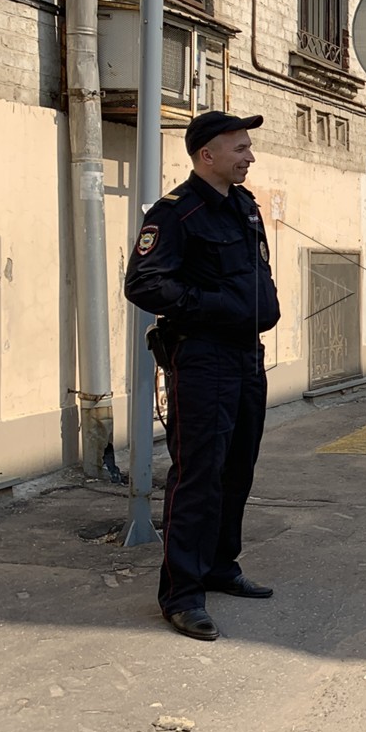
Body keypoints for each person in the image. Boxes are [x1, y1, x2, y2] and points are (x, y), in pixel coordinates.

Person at [123, 111, 282, 642]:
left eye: (248, 147)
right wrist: (211, 305)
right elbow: (144, 284)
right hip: (203, 357)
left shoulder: (243, 206)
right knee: (198, 474)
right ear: (206, 155)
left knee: (239, 468)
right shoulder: (175, 213)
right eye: (240, 148)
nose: (249, 156)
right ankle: (183, 593)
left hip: (245, 356)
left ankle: (219, 566)